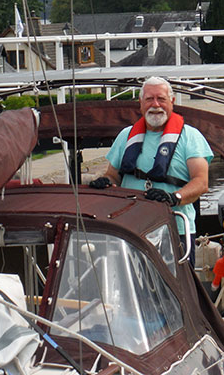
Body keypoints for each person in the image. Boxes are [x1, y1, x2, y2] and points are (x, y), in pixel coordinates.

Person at [90, 76, 213, 265]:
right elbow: (113, 175)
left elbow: (201, 182)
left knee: (175, 291)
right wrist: (105, 181)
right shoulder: (125, 136)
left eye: (161, 99)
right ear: (141, 103)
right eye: (149, 99)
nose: (155, 104)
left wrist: (174, 198)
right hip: (131, 229)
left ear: (171, 101)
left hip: (174, 229)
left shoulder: (191, 137)